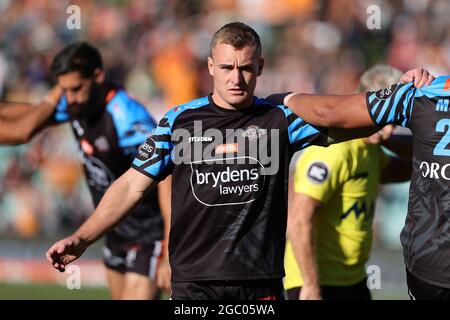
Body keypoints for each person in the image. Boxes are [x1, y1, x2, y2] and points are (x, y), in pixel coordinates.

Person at [45, 22, 430, 300]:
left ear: (259, 67)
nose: (237, 79)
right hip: (195, 284)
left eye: (246, 68)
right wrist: (82, 237)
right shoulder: (179, 121)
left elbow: (344, 117)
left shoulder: (280, 117)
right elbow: (132, 183)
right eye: (227, 68)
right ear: (211, 67)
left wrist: (402, 93)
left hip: (259, 282)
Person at [0, 42, 171, 300]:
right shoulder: (77, 105)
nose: (69, 98)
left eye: (76, 88)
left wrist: (171, 249)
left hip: (148, 232)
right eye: (64, 90)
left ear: (98, 76)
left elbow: (167, 177)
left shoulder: (127, 117)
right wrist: (56, 95)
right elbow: (25, 120)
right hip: (111, 228)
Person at [282, 70, 450, 300]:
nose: (389, 129)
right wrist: (310, 284)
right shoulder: (333, 153)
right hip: (316, 280)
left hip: (353, 279)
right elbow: (299, 219)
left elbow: (411, 165)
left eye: (393, 121)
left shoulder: (371, 151)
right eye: (384, 119)